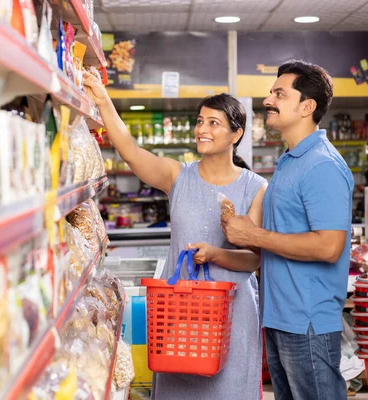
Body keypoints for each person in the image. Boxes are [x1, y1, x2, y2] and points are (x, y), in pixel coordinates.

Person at [82, 70, 267, 400]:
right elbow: (129, 150)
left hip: (233, 313)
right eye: (200, 121)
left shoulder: (255, 187)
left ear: (236, 134)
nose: (201, 130)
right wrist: (102, 99)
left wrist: (215, 253)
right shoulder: (177, 176)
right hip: (178, 308)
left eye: (213, 123)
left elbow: (254, 258)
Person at [221, 60, 353, 400]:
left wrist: (253, 235)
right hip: (280, 316)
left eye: (280, 94)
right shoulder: (291, 160)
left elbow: (328, 247)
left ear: (307, 106)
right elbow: (281, 235)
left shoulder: (322, 164)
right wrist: (243, 230)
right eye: (271, 93)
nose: (269, 100)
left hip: (307, 320)